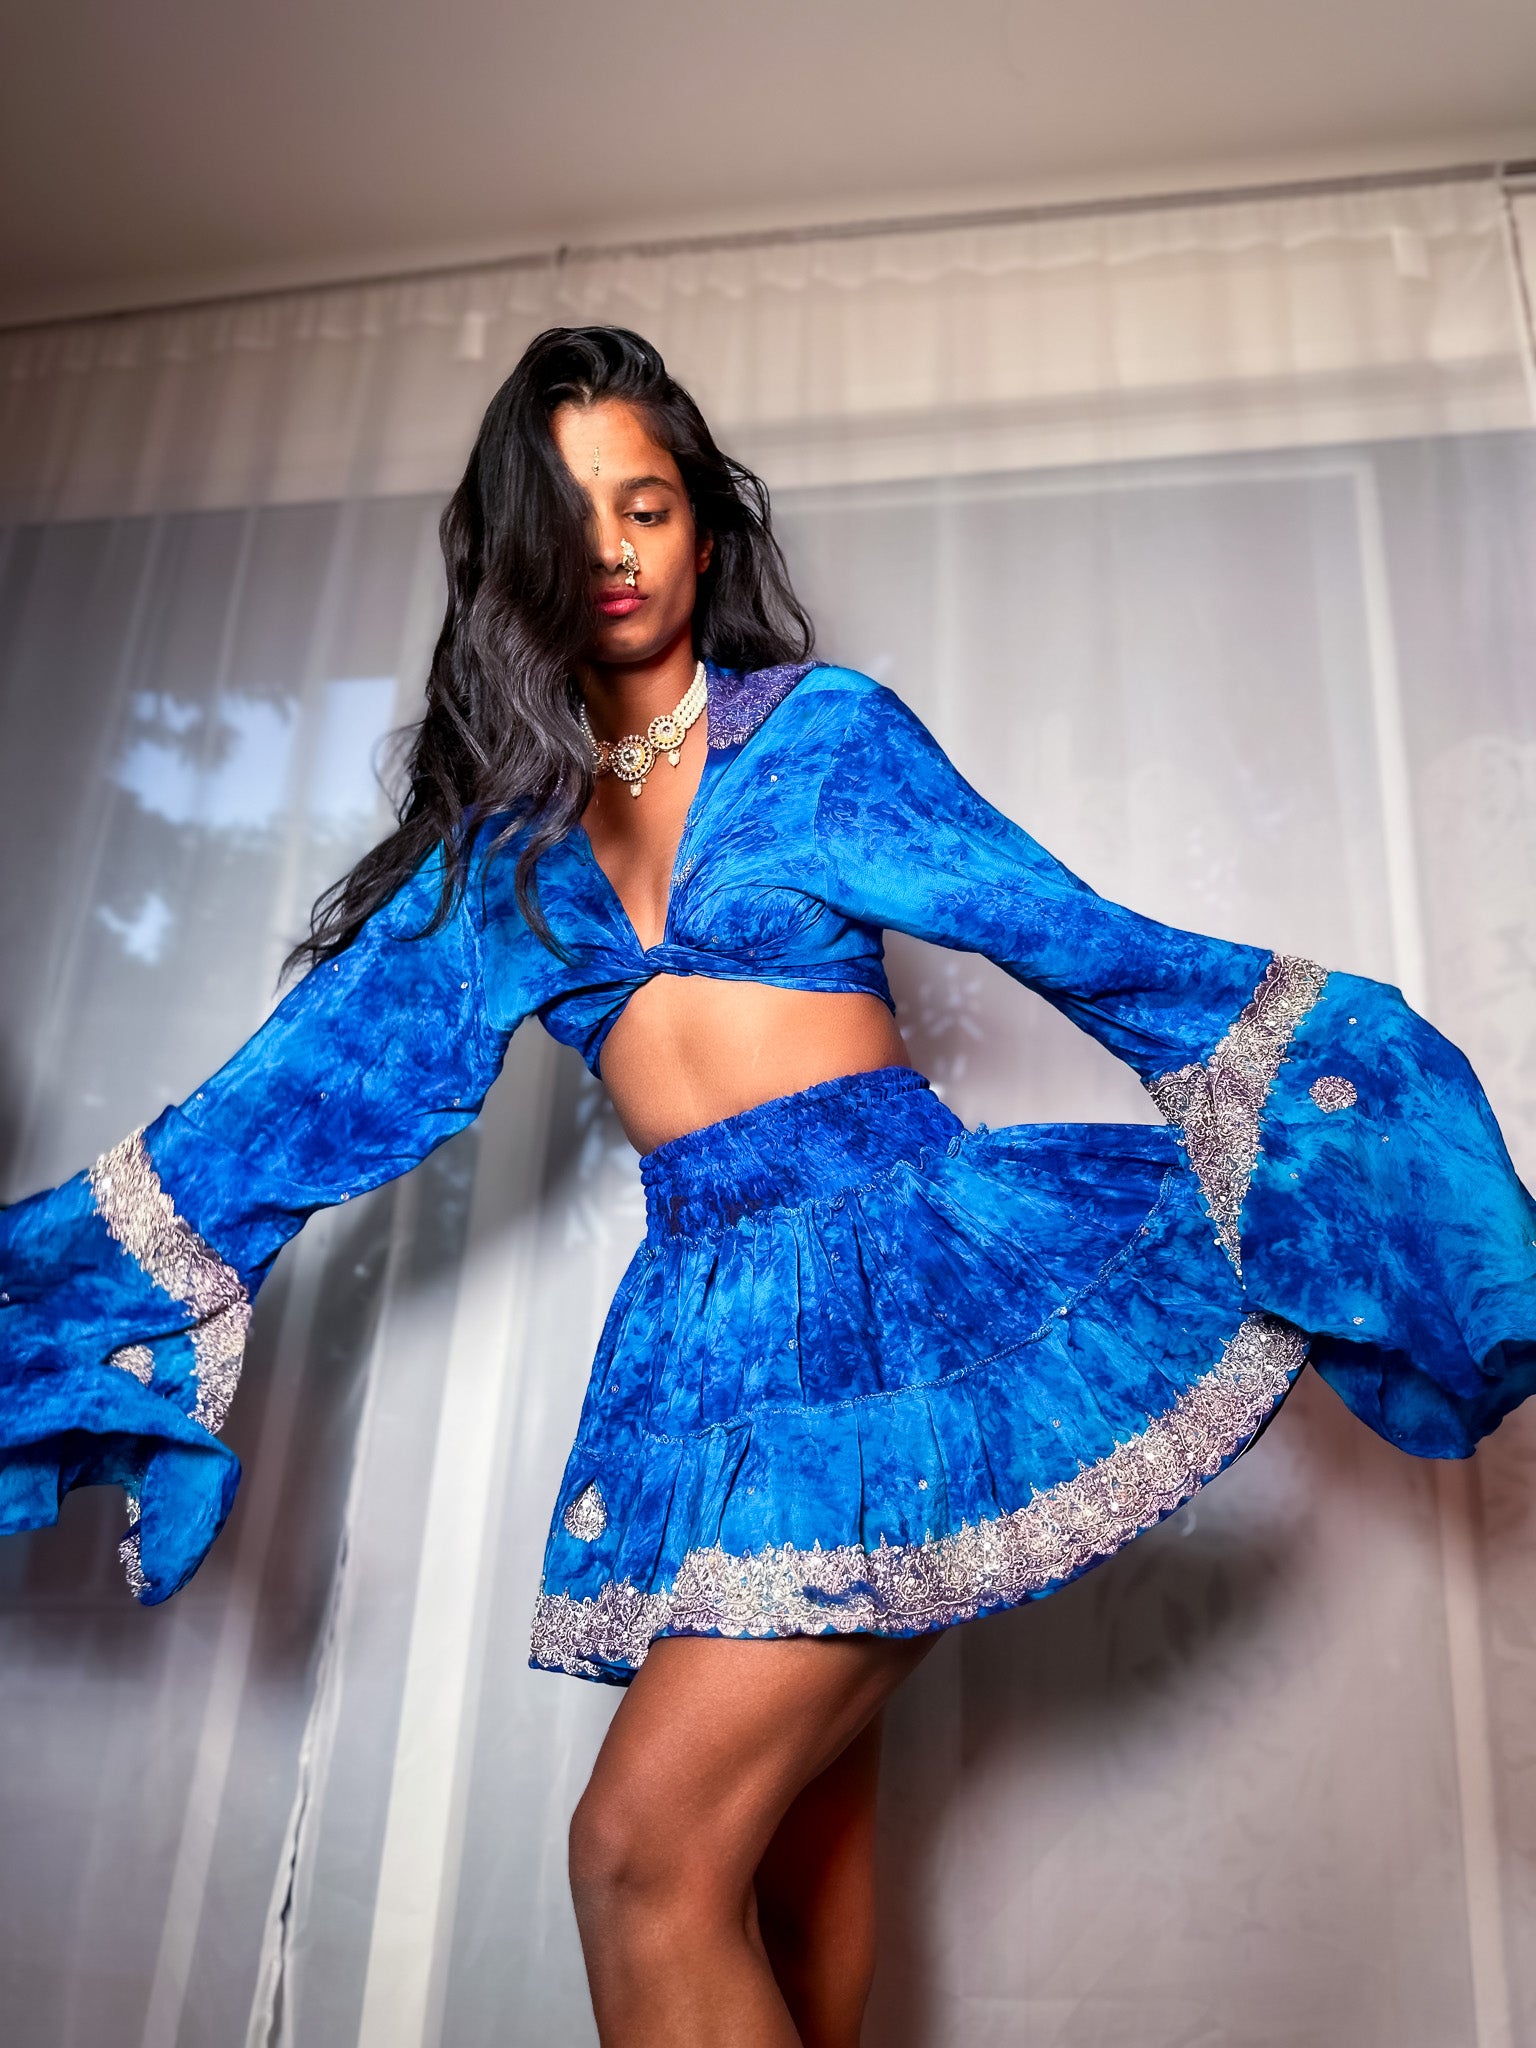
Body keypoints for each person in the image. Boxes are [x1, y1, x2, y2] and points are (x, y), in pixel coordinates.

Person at [2, 324, 1533, 2048]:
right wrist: (48, 1288)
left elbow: (1070, 933)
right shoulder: (504, 857)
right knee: (791, 1872)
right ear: (517, 559)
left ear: (704, 530)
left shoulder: (821, 737)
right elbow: (275, 1108)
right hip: (709, 1342)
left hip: (908, 1295)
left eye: (646, 506)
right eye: (570, 520)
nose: (613, 550)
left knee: (636, 1861)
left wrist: (1340, 1099)